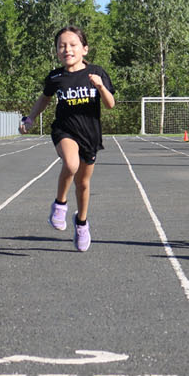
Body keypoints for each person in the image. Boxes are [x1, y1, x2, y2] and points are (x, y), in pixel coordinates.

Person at [18, 26, 115, 252]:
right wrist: (30, 118)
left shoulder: (97, 73)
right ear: (56, 51)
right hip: (64, 131)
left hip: (90, 135)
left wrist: (100, 86)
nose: (67, 49)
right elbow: (44, 99)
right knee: (70, 164)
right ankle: (60, 204)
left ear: (85, 49)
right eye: (62, 46)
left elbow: (110, 104)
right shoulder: (55, 77)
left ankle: (81, 222)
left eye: (72, 45)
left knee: (83, 184)